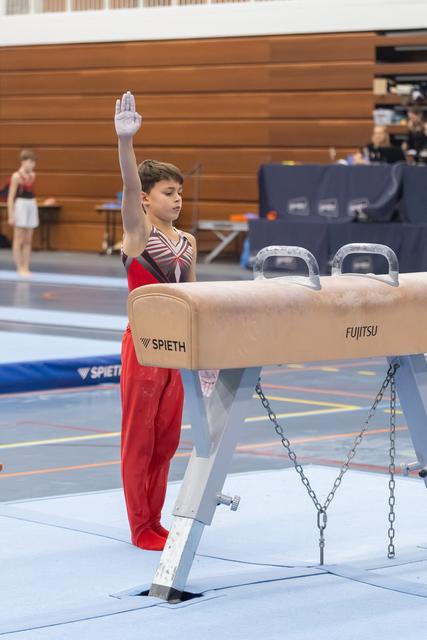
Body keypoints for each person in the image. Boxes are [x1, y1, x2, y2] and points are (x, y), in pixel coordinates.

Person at [115, 91, 217, 551]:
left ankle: (155, 520)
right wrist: (126, 143)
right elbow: (129, 188)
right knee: (140, 441)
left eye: (180, 193)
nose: (177, 199)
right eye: (168, 193)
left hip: (176, 351)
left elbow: (194, 297)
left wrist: (207, 354)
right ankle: (140, 527)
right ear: (148, 199)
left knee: (166, 441)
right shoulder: (139, 234)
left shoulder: (190, 241)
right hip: (142, 347)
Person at [7, 149, 39, 276]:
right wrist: (11, 215)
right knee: (18, 239)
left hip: (31, 204)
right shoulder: (16, 176)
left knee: (28, 240)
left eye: (34, 163)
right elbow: (10, 197)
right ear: (23, 162)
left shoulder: (33, 175)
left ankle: (26, 267)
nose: (33, 165)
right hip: (20, 205)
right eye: (31, 162)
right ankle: (19, 267)